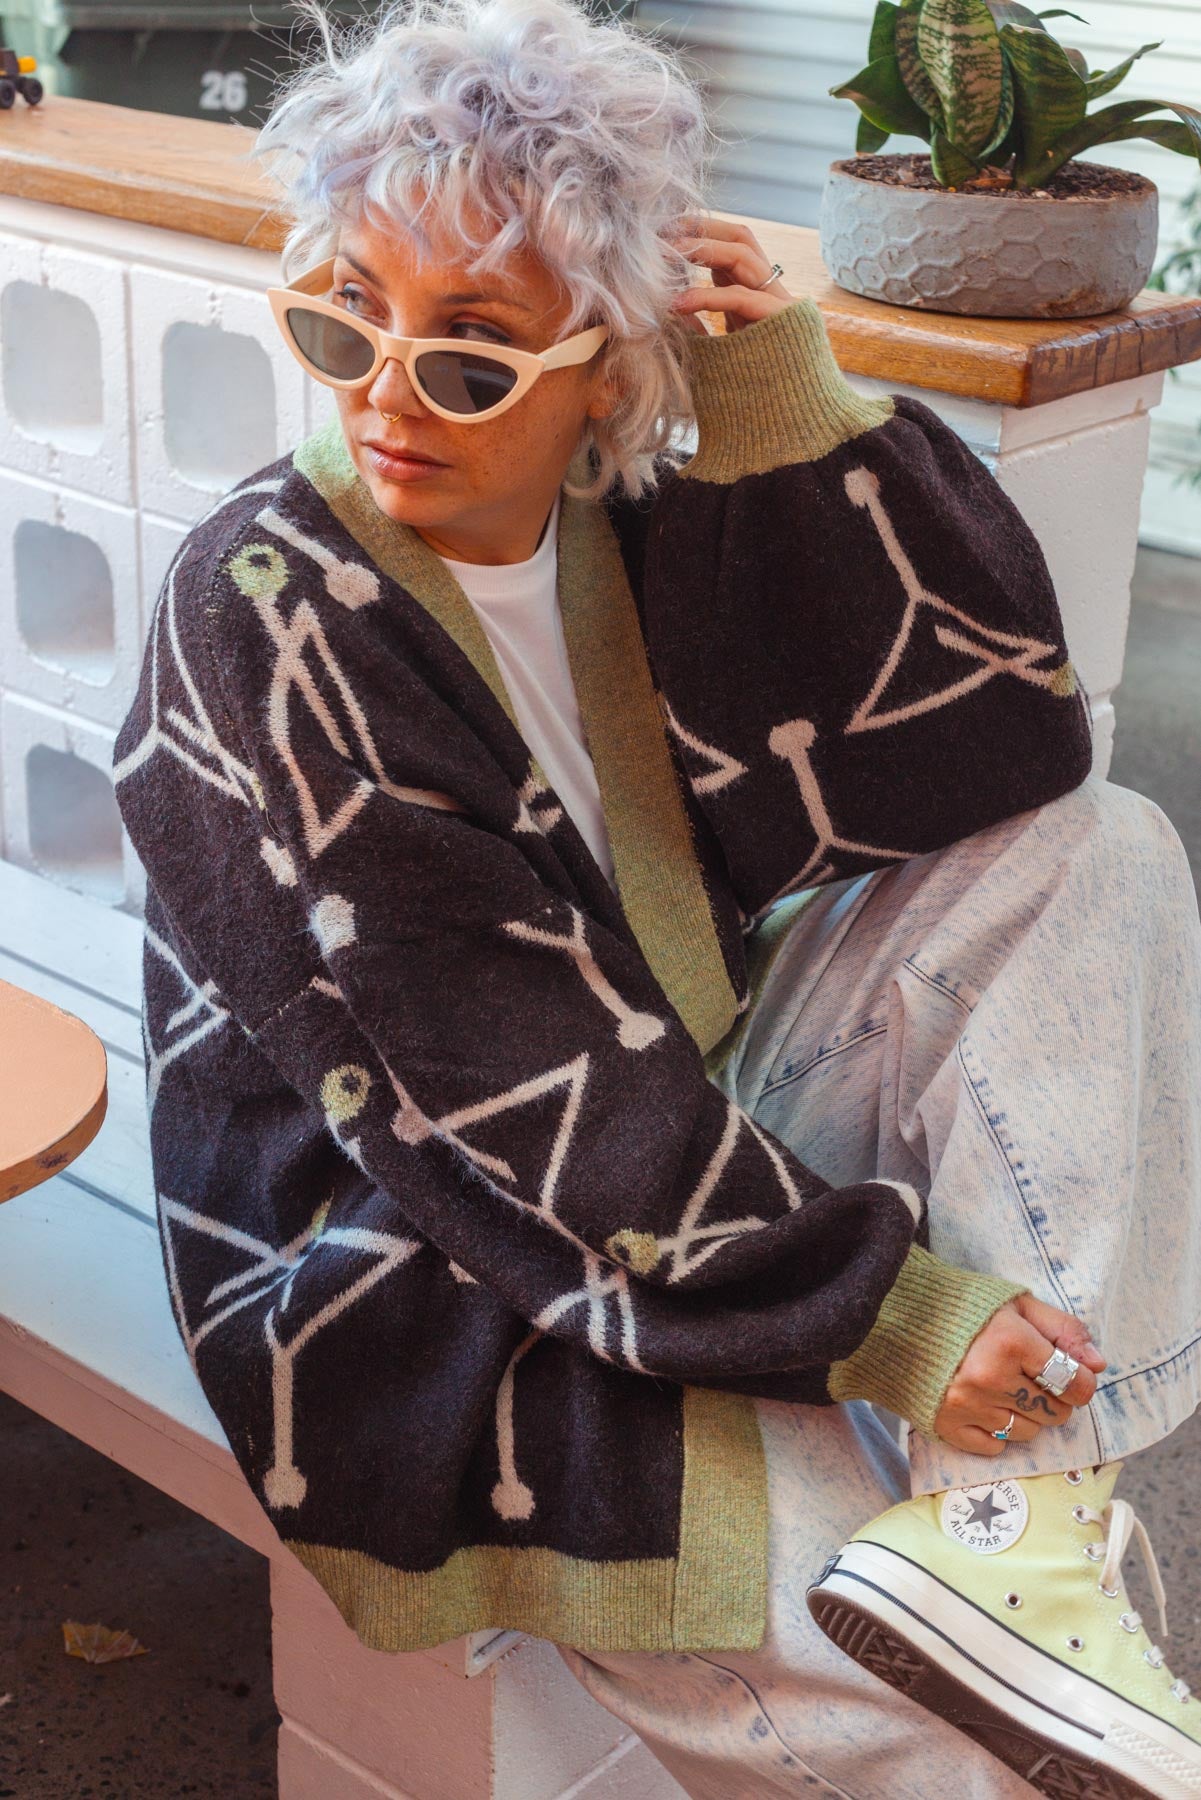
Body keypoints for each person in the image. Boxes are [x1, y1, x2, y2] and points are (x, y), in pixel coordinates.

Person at [111, 0, 1201, 1792]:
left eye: (471, 354)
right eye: (341, 317)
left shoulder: (636, 525)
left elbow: (1004, 742)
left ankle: (1011, 1533)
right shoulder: (265, 606)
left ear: (607, 368)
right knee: (965, 1747)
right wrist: (896, 1323)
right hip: (419, 1248)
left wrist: (793, 405)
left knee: (1111, 844)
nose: (384, 394)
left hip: (677, 1104)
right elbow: (486, 1073)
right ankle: (999, 1574)